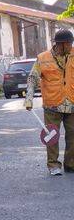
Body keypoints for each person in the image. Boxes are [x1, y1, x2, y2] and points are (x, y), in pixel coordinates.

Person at [25, 29, 74, 176]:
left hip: (71, 102)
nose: (71, 46)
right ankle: (53, 165)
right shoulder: (43, 58)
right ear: (61, 44)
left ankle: (70, 164)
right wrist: (29, 98)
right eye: (69, 44)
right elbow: (32, 78)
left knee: (73, 135)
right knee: (51, 135)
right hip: (52, 104)